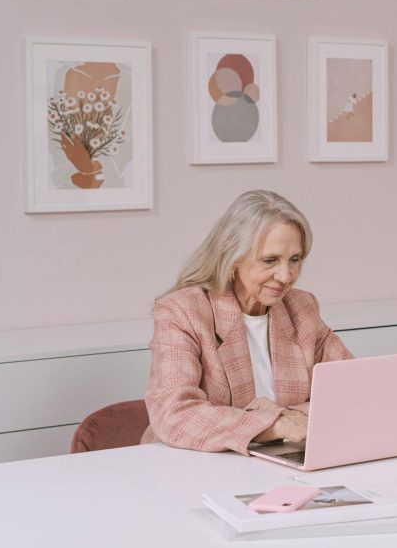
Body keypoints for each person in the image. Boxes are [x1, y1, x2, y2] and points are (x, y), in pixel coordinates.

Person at [141, 190, 353, 454]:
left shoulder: (302, 307)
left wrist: (265, 416)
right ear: (233, 257)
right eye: (270, 260)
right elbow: (174, 413)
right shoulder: (183, 311)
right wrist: (276, 426)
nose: (286, 276)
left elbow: (351, 390)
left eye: (295, 260)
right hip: (193, 465)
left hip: (284, 459)